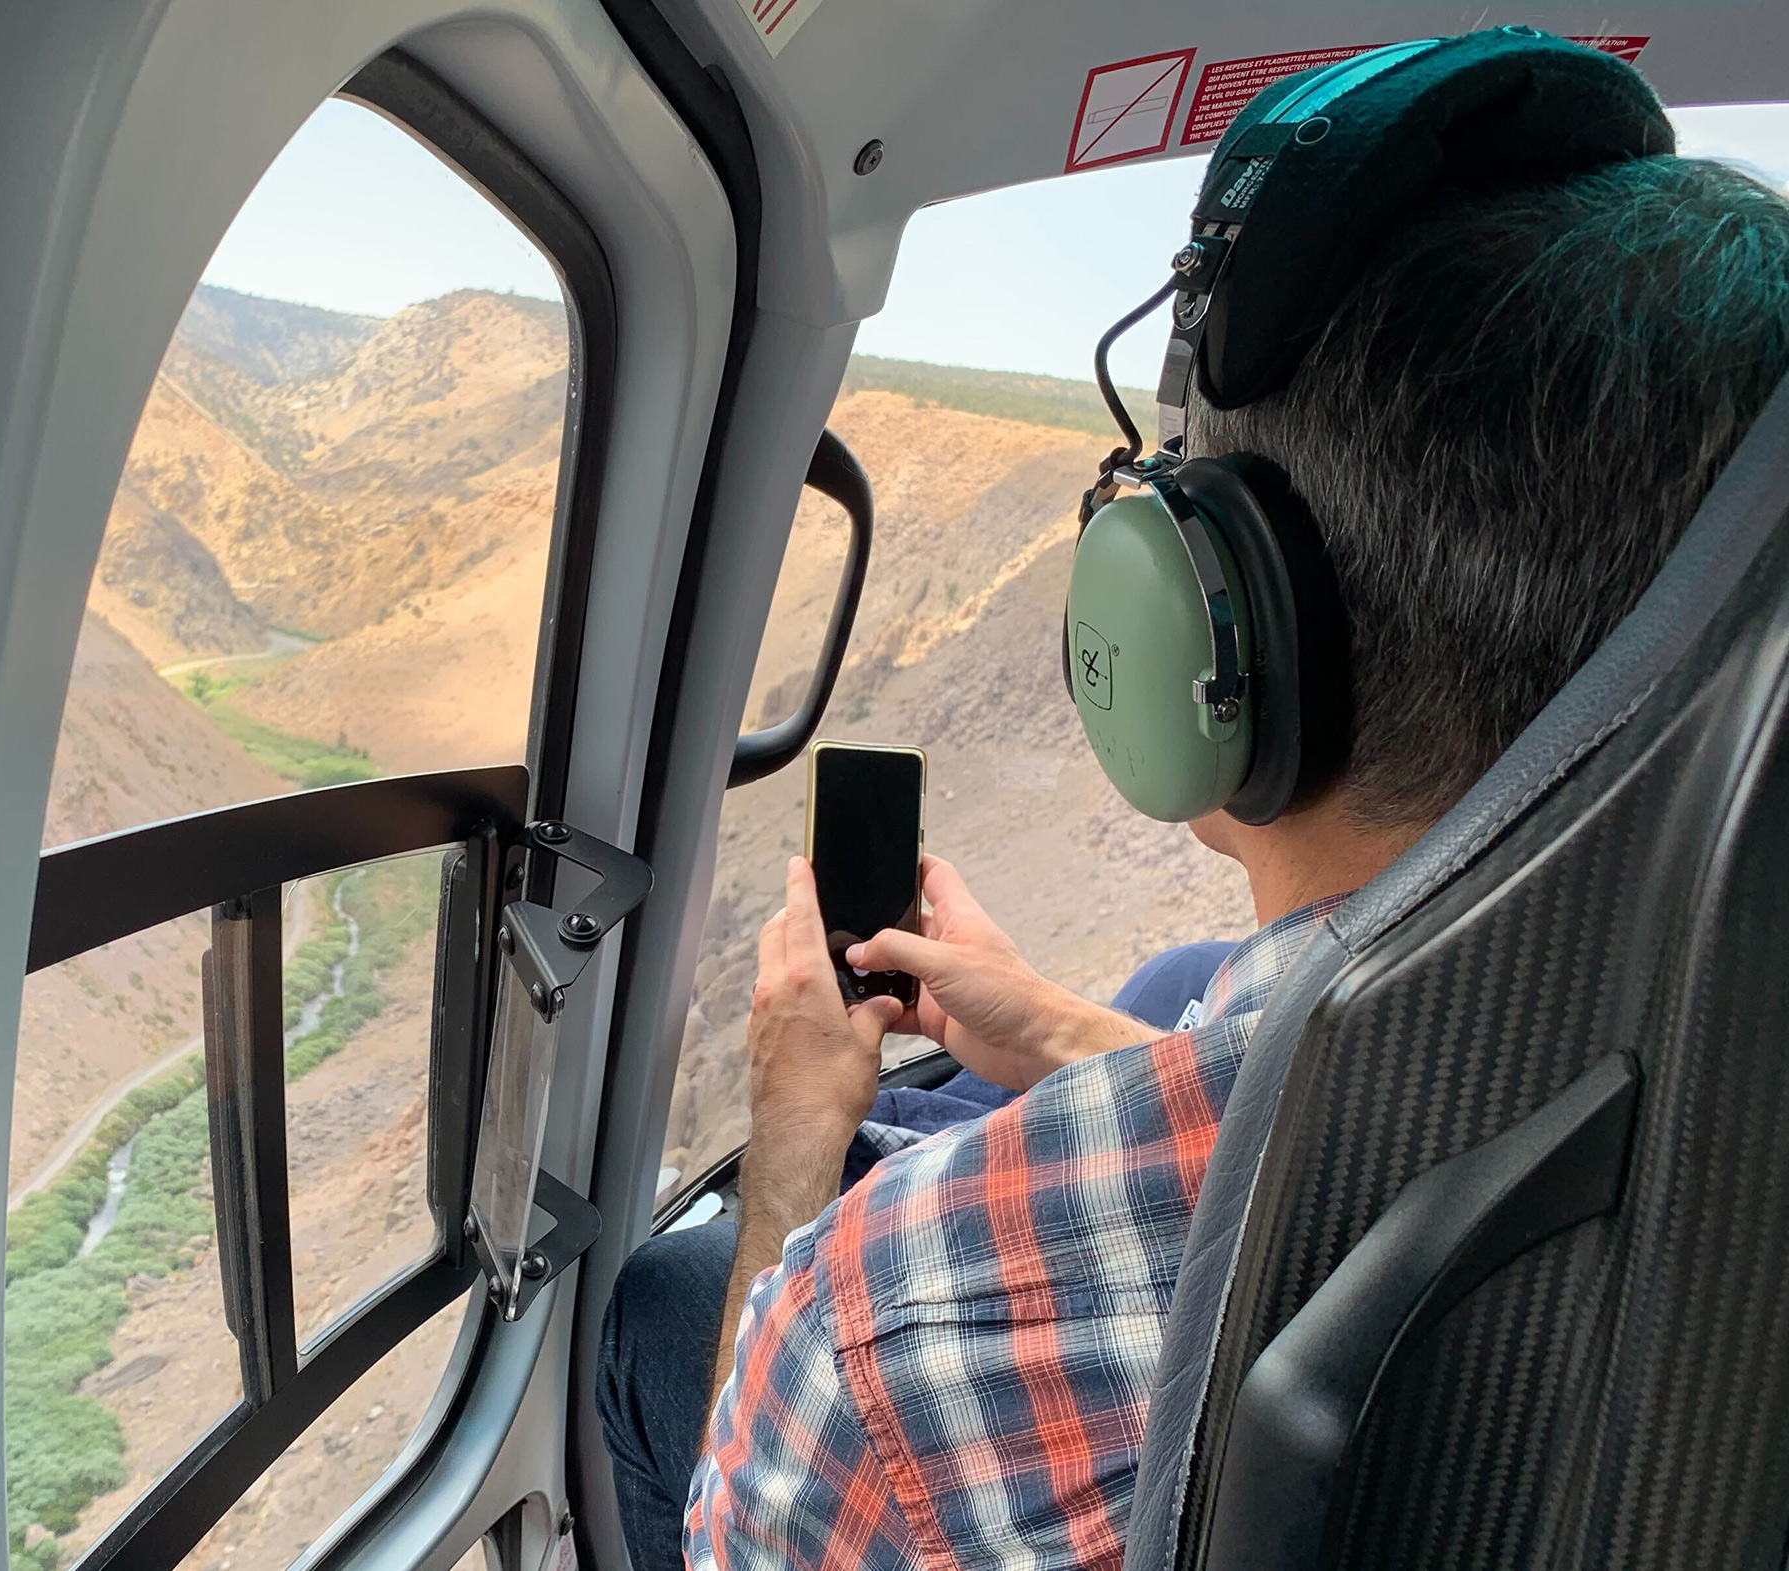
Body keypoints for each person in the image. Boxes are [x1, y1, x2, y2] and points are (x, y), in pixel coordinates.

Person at [598, 41, 1789, 1571]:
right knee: (1166, 995)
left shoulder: (878, 1325)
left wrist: (794, 1138)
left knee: (664, 1312)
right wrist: (1062, 1033)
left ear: (1211, 642)